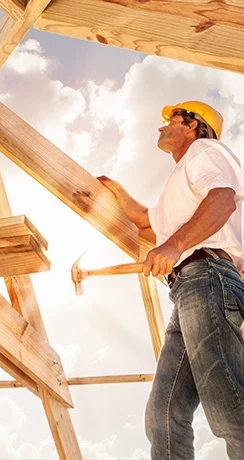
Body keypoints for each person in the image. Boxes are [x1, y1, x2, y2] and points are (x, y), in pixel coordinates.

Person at [97, 101, 244, 460]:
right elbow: (147, 223)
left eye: (170, 120)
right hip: (189, 290)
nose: (161, 127)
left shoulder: (204, 150)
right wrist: (115, 190)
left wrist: (175, 246)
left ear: (193, 126)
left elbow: (223, 200)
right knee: (164, 416)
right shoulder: (180, 184)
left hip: (207, 277)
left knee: (228, 404)